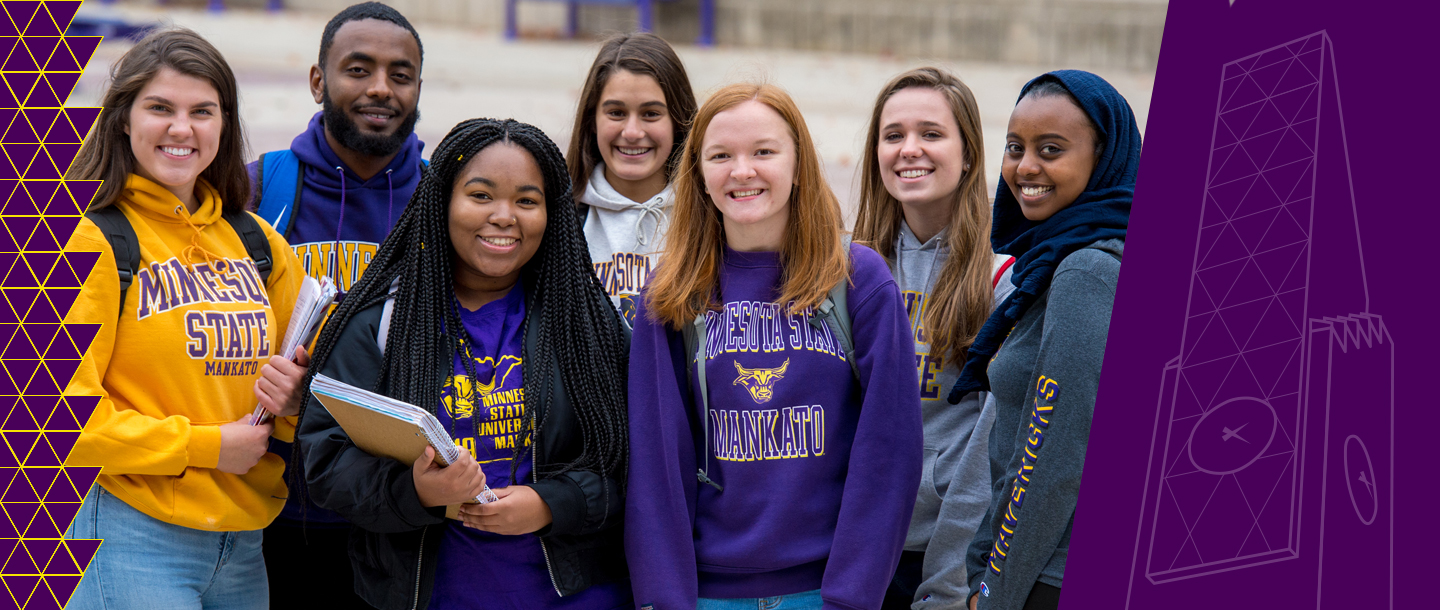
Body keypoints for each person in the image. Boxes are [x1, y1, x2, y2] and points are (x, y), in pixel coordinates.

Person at [293, 118, 632, 610]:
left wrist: (552, 504)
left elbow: (633, 462)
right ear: (442, 203)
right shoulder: (381, 320)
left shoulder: (584, 320)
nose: (504, 216)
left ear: (551, 214)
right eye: (480, 195)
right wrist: (416, 491)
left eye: (527, 201)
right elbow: (324, 461)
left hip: (577, 597)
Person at [626, 83, 923, 610]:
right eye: (721, 156)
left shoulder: (858, 280)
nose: (742, 171)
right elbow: (657, 461)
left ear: (799, 163)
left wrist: (851, 597)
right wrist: (667, 600)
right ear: (697, 174)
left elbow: (889, 448)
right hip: (707, 593)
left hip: (826, 590)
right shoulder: (670, 293)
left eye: (764, 151)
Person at [61, 28, 307, 609]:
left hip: (243, 545)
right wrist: (204, 447)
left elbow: (313, 394)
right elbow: (50, 418)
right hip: (127, 536)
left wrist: (298, 402)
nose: (182, 129)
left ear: (224, 124)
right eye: (160, 109)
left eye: (202, 111)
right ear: (123, 119)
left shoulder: (259, 244)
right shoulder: (86, 238)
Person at [248, 4, 427, 607]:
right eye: (358, 69)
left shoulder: (446, 204)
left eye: (400, 74)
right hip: (269, 511)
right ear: (318, 82)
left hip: (395, 513)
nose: (381, 88)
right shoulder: (255, 192)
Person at [953, 70, 1140, 610]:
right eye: (1015, 147)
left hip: (1046, 577)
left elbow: (1053, 458)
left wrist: (992, 590)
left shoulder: (1088, 270)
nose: (1025, 167)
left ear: (1103, 157)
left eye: (1051, 149)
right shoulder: (1063, 259)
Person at [852, 67, 1016, 610]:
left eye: (931, 133)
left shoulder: (1004, 274)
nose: (909, 150)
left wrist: (949, 584)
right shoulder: (845, 267)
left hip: (946, 557)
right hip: (855, 549)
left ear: (968, 153)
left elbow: (988, 449)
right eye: (893, 135)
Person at [567, 32, 697, 325]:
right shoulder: (559, 215)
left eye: (651, 114)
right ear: (592, 120)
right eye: (616, 112)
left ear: (679, 120)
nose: (633, 132)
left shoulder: (711, 214)